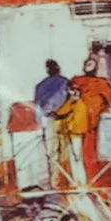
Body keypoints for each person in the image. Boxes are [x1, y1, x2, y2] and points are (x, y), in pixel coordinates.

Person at [72, 55, 111, 182]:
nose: (88, 66)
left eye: (91, 64)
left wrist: (98, 110)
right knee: (76, 151)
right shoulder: (77, 81)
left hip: (92, 122)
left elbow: (108, 102)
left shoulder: (101, 83)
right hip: (77, 120)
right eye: (87, 64)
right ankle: (81, 179)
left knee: (89, 151)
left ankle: (91, 178)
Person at [33, 59, 70, 187]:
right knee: (64, 150)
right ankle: (63, 181)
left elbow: (37, 107)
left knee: (51, 152)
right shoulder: (64, 82)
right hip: (63, 118)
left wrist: (39, 123)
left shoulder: (40, 86)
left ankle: (54, 181)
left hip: (48, 119)